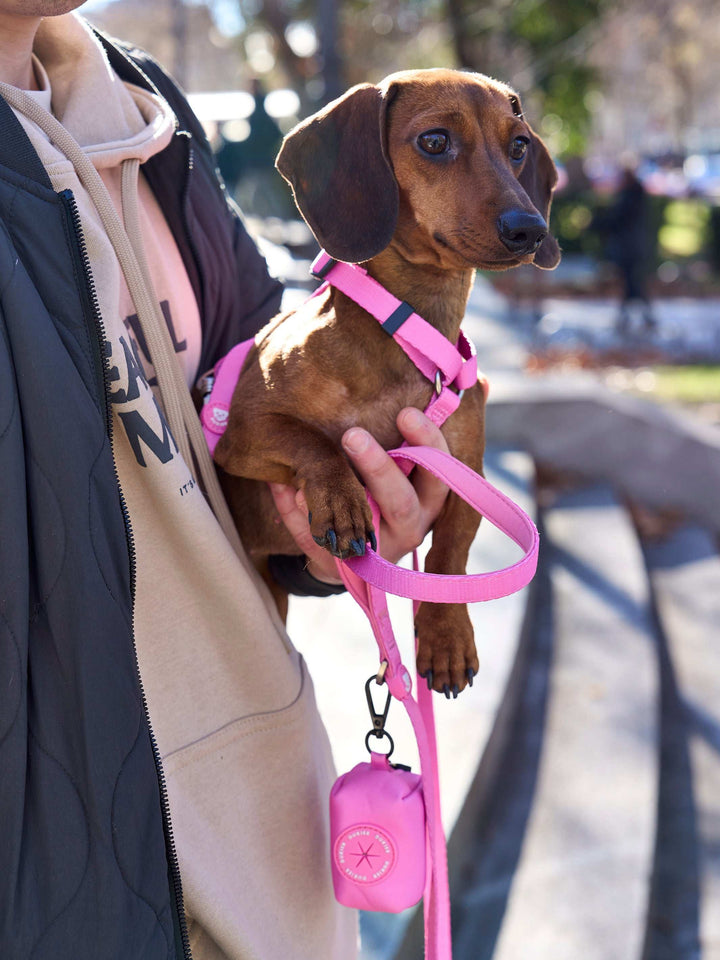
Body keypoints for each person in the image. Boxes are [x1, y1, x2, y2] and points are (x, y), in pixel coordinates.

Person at [0, 5, 452, 959]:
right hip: (67, 855)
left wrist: (325, 533)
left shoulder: (143, 108)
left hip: (268, 824)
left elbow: (243, 417)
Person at [595, 165, 656, 334]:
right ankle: (635, 316)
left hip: (629, 248)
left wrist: (596, 224)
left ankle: (632, 317)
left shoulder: (629, 196)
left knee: (632, 283)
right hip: (634, 246)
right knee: (632, 282)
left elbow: (616, 219)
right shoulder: (635, 195)